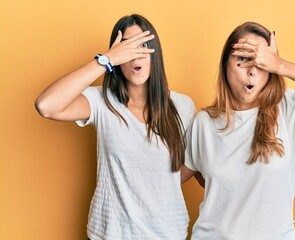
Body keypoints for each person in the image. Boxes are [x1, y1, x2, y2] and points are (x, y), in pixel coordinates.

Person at [181, 21, 295, 239]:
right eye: (243, 59)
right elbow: (172, 177)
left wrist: (279, 65)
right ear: (225, 65)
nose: (252, 71)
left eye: (261, 62)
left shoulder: (292, 110)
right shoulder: (204, 123)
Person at [35, 14, 196, 240]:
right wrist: (104, 61)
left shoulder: (182, 106)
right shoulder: (102, 101)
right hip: (110, 234)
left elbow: (189, 165)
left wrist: (152, 180)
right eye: (127, 47)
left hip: (166, 233)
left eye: (142, 46)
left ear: (155, 53)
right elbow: (46, 105)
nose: (135, 55)